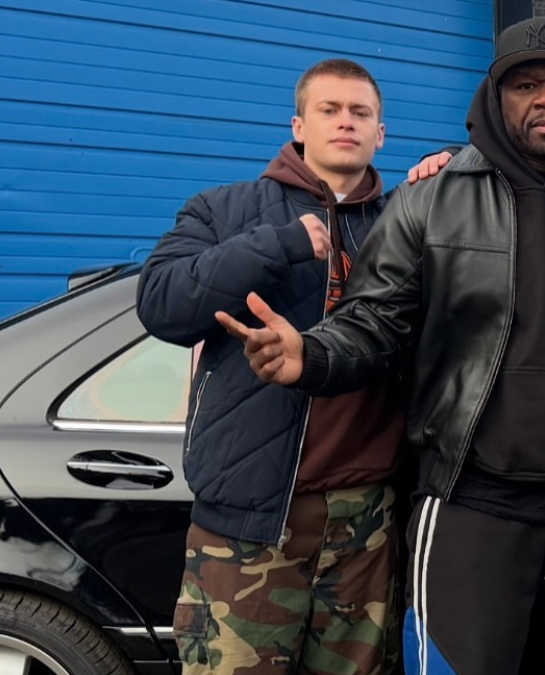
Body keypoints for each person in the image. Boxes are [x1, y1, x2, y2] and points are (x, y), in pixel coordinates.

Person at [215, 17, 545, 675]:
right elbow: (373, 323)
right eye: (525, 85)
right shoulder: (429, 202)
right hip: (470, 508)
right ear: (496, 98)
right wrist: (312, 355)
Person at [137, 58, 405, 675]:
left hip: (367, 522)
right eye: (329, 110)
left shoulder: (406, 220)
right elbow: (162, 305)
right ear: (298, 127)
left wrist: (450, 165)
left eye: (360, 112)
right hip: (249, 523)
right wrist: (277, 244)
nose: (346, 122)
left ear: (380, 133)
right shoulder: (225, 209)